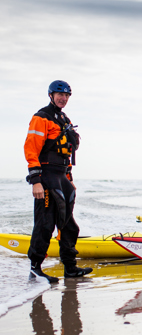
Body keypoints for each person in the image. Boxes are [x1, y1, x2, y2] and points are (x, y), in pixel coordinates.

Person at [24, 80, 92, 283]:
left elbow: (67, 154)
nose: (63, 98)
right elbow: (31, 149)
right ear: (51, 95)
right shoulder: (41, 117)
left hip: (62, 177)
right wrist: (36, 180)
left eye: (66, 96)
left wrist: (69, 180)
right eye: (59, 95)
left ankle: (70, 267)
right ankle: (35, 269)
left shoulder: (64, 119)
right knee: (45, 224)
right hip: (46, 176)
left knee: (69, 225)